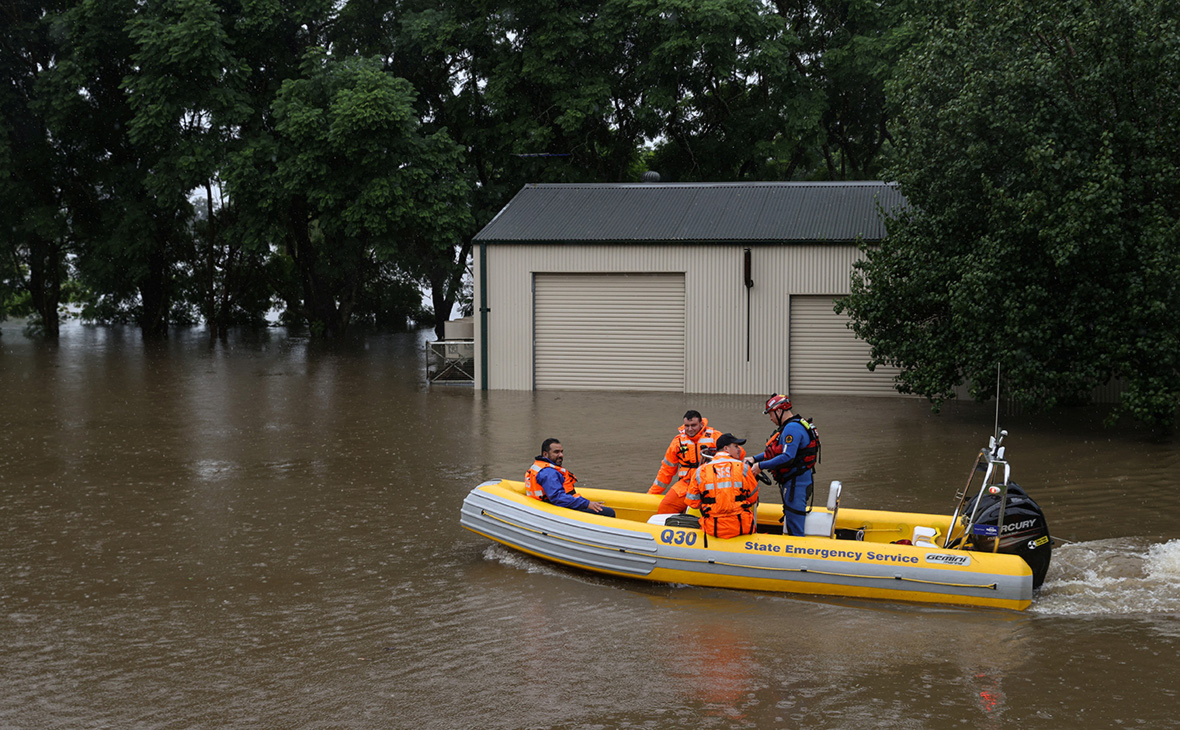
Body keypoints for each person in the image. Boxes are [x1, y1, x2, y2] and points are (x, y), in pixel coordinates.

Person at [748, 394, 819, 537]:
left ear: (779, 411)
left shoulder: (791, 428)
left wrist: (760, 466)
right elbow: (777, 452)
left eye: (771, 414)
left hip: (796, 484)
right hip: (796, 481)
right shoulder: (794, 425)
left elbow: (787, 457)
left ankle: (798, 554)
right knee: (792, 519)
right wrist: (754, 458)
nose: (770, 418)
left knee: (794, 524)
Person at [685, 433, 759, 539]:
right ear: (726, 448)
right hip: (741, 527)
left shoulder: (701, 471)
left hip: (713, 528)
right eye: (736, 446)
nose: (739, 450)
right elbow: (753, 498)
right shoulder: (743, 468)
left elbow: (692, 502)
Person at [649, 410, 722, 514]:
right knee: (666, 507)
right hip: (686, 484)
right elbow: (666, 471)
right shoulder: (678, 442)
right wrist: (651, 494)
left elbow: (737, 454)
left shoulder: (716, 437)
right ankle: (668, 528)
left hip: (711, 483)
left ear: (701, 424)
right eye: (687, 426)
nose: (690, 429)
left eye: (693, 425)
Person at [525, 438, 615, 517]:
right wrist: (587, 503)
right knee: (609, 512)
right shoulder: (549, 473)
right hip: (557, 509)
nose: (561, 455)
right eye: (556, 452)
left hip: (552, 505)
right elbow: (558, 498)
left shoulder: (541, 467)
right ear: (545, 454)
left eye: (561, 452)